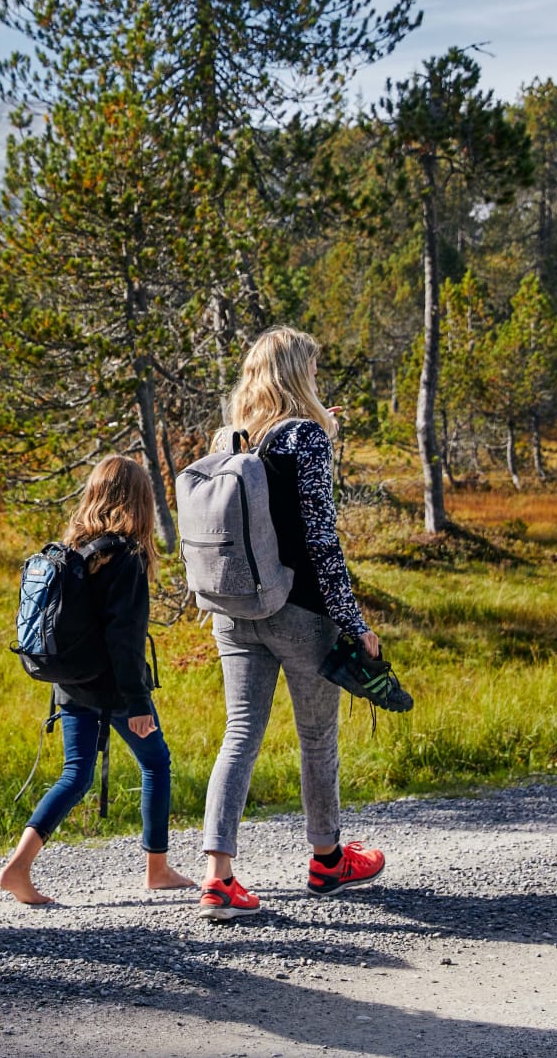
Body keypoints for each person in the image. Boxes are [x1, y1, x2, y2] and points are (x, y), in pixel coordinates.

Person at [199, 328, 388, 921]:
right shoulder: (305, 438)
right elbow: (320, 540)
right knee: (316, 739)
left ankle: (218, 878)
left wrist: (322, 433)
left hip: (233, 612)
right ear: (296, 375)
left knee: (240, 736)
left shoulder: (229, 438)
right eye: (311, 370)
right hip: (298, 611)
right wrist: (354, 623)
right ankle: (327, 860)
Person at [0, 456, 196, 906]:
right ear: (140, 501)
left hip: (69, 684)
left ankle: (20, 865)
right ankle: (158, 868)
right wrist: (139, 703)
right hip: (114, 689)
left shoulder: (76, 547)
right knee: (155, 763)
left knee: (76, 774)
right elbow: (124, 641)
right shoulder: (125, 556)